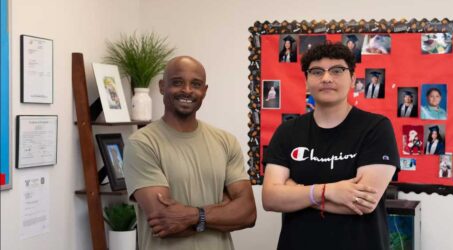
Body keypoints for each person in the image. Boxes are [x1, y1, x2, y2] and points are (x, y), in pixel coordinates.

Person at [262, 43, 400, 250]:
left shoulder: (376, 127)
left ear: (353, 79)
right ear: (307, 82)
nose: (326, 78)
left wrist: (295, 192)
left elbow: (363, 202)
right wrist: (328, 191)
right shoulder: (287, 132)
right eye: (317, 72)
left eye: (337, 70)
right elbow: (270, 198)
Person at [123, 56, 256, 250]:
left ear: (204, 91)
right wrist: (224, 208)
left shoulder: (226, 141)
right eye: (177, 83)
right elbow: (165, 222)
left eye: (196, 84)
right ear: (161, 86)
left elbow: (248, 214)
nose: (187, 90)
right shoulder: (142, 143)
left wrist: (193, 216)